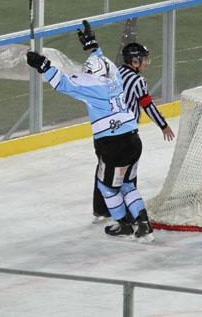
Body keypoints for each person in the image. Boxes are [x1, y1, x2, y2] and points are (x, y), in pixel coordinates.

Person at [26, 23, 154, 242]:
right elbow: (101, 59)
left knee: (106, 186)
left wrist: (43, 65)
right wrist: (92, 45)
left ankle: (123, 224)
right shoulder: (115, 75)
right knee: (127, 184)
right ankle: (143, 224)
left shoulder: (90, 84)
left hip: (113, 144)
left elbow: (64, 83)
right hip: (133, 139)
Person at [90, 36, 175, 221]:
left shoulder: (114, 74)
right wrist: (164, 125)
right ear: (135, 61)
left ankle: (101, 209)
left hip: (102, 135)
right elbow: (148, 106)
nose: (146, 63)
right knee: (127, 176)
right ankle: (128, 212)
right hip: (124, 136)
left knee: (103, 170)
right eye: (143, 59)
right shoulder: (137, 81)